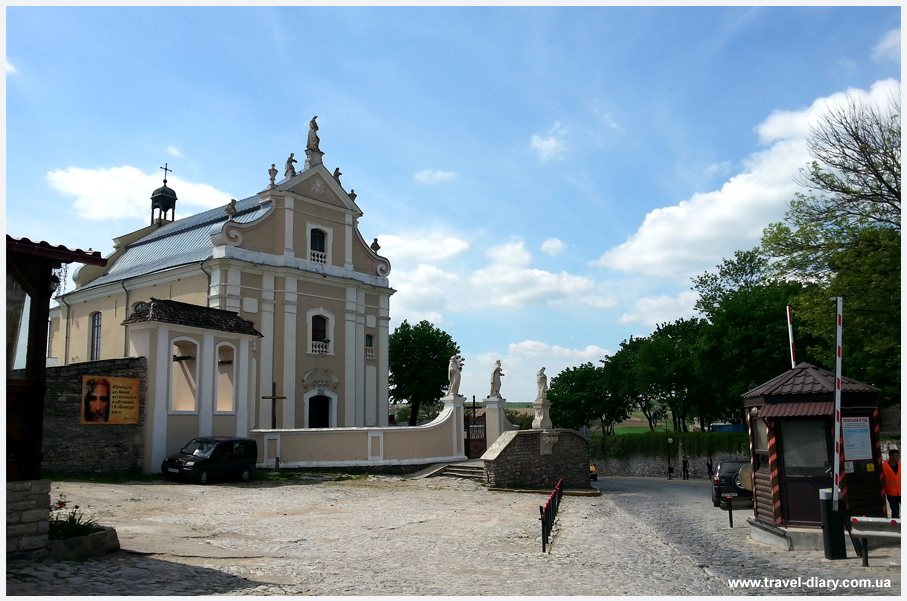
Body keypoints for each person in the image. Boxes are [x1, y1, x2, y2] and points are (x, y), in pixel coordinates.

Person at [882, 448, 900, 519]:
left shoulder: (902, 465)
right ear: (891, 456)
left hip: (901, 491)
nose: (898, 457)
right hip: (891, 492)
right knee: (895, 511)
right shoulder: (883, 466)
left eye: (899, 455)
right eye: (896, 456)